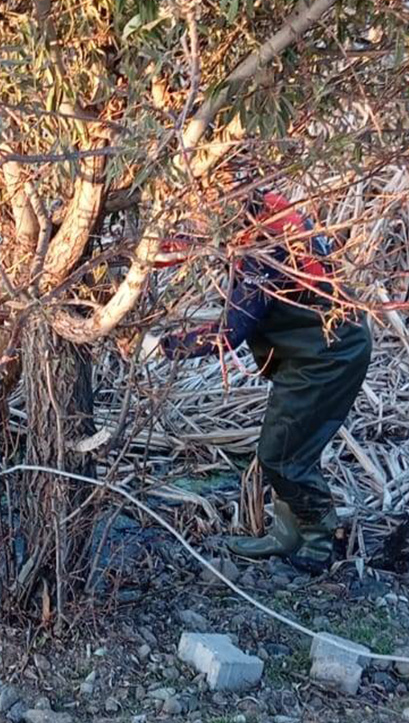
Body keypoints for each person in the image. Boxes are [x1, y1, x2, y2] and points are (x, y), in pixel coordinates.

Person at [124, 187, 372, 574]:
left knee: (281, 454)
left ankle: (320, 541)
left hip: (329, 355)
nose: (196, 220)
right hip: (307, 353)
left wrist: (163, 348)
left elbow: (230, 332)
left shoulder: (268, 245)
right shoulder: (255, 218)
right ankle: (285, 535)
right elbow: (184, 248)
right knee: (289, 445)